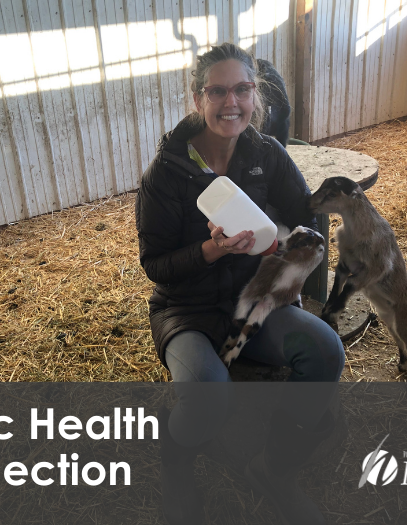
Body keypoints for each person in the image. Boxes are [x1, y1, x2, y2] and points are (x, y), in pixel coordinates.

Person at [135, 43, 344, 525]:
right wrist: (211, 250)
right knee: (209, 392)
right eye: (218, 90)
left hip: (254, 300)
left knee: (326, 351)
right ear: (197, 98)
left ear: (256, 95)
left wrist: (284, 256)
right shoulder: (165, 175)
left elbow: (305, 221)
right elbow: (156, 266)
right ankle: (176, 466)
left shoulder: (267, 154)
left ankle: (274, 470)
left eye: (243, 89)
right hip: (186, 310)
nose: (232, 102)